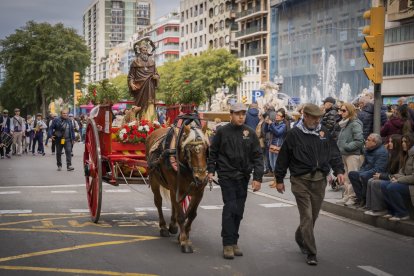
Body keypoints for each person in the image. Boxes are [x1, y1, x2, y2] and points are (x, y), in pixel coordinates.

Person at [273, 103, 345, 266]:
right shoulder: (294, 134)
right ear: (305, 116)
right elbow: (283, 157)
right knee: (306, 216)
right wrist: (279, 179)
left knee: (313, 216)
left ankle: (300, 237)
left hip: (319, 180)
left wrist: (339, 170)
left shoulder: (324, 132)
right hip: (300, 180)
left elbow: (334, 153)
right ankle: (311, 252)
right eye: (314, 117)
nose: (317, 120)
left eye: (319, 117)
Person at [207, 102, 263, 260]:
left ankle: (234, 241)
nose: (241, 117)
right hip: (226, 175)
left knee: (239, 210)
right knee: (230, 207)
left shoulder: (249, 133)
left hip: (243, 176)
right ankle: (227, 243)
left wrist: (257, 178)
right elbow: (214, 152)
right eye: (238, 114)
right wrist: (211, 170)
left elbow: (258, 156)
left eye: (243, 114)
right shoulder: (222, 131)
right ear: (230, 114)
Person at [365, 134, 402, 216]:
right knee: (371, 180)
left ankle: (380, 209)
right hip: (390, 177)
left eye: (391, 142)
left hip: (396, 178)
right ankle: (371, 207)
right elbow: (389, 171)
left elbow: (397, 174)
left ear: (397, 143)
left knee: (375, 182)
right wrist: (381, 175)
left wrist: (381, 176)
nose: (389, 144)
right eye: (389, 141)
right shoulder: (391, 154)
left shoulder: (400, 156)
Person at [348, 133, 388, 207]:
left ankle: (365, 199)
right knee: (352, 174)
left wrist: (363, 173)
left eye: (368, 140)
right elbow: (364, 164)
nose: (366, 141)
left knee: (364, 176)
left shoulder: (382, 152)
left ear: (374, 143)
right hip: (367, 171)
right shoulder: (368, 149)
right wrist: (361, 171)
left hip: (377, 173)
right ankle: (360, 199)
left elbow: (379, 169)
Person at [380, 134, 414, 221]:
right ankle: (392, 211)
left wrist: (398, 180)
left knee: (392, 187)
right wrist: (394, 177)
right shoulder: (407, 154)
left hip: (411, 185)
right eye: (402, 141)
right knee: (383, 185)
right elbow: (402, 172)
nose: (403, 144)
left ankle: (402, 213)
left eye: (406, 142)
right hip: (406, 181)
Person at [336, 102, 365, 206]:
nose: (341, 112)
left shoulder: (355, 123)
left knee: (353, 176)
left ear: (350, 111)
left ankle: (352, 197)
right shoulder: (345, 123)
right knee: (346, 177)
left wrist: (346, 147)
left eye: (344, 110)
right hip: (344, 153)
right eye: (340, 110)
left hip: (353, 154)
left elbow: (359, 140)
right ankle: (347, 196)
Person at [127, 39, 159, 120]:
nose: (144, 52)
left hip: (150, 86)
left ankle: (150, 121)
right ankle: (138, 120)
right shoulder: (135, 62)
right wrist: (131, 83)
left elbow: (157, 74)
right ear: (140, 51)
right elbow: (131, 76)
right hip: (139, 88)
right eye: (143, 50)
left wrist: (156, 77)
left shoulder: (152, 62)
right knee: (139, 105)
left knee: (150, 103)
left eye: (146, 50)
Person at [264, 108, 287, 173]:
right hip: (271, 145)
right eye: (277, 115)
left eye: (279, 115)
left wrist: (271, 124)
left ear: (282, 118)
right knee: (272, 164)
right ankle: (275, 181)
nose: (277, 116)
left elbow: (278, 133)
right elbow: (266, 130)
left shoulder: (283, 125)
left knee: (276, 163)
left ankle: (277, 181)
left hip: (277, 146)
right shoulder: (274, 123)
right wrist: (266, 123)